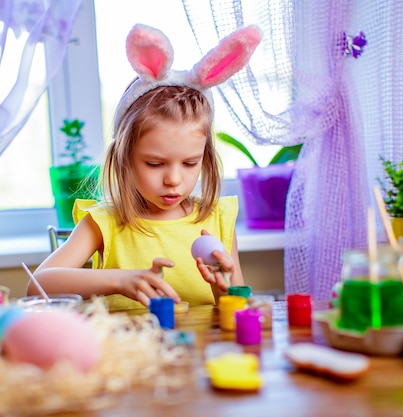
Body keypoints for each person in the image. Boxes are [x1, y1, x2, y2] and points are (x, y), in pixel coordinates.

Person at [28, 23, 262, 310]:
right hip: (131, 353)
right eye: (154, 164)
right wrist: (118, 280)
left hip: (202, 354)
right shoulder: (104, 222)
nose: (174, 179)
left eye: (190, 163)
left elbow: (238, 312)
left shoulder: (217, 219)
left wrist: (222, 285)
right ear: (125, 157)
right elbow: (37, 286)